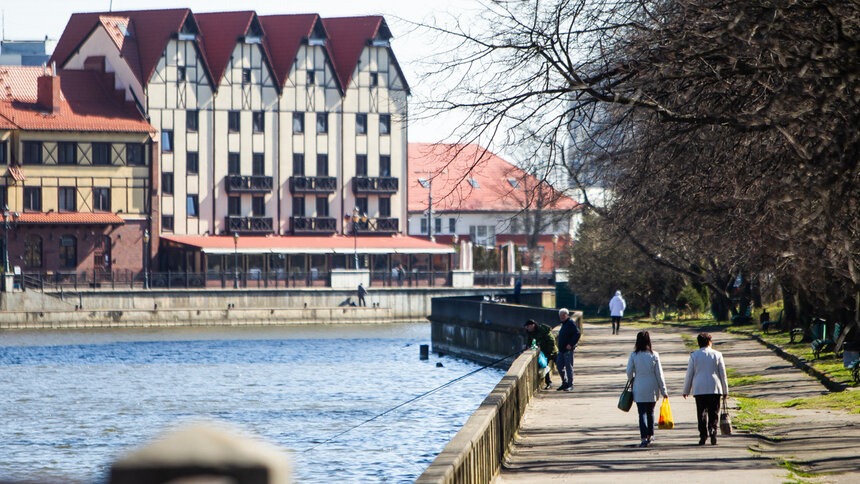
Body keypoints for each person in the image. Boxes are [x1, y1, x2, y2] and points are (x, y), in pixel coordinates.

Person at [683, 332, 729, 445]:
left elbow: (689, 374)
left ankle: (703, 435)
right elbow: (723, 374)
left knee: (701, 413)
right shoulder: (717, 355)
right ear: (709, 342)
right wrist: (725, 390)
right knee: (714, 412)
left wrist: (686, 390)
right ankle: (713, 430)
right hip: (714, 388)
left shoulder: (694, 356)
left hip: (699, 389)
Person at [626, 331, 668, 447]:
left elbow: (629, 371)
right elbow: (659, 374)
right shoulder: (654, 355)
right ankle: (650, 434)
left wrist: (632, 379)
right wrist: (664, 390)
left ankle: (643, 437)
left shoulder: (634, 355)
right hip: (652, 387)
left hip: (639, 386)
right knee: (651, 412)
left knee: (642, 413)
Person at [524, 319, 558, 389]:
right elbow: (530, 342)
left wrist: (549, 352)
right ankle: (548, 383)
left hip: (552, 351)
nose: (527, 328)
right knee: (544, 366)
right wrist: (527, 346)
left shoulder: (543, 330)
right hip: (543, 353)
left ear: (533, 325)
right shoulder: (530, 333)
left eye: (528, 326)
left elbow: (551, 341)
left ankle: (566, 382)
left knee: (560, 366)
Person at [555, 308, 581, 391]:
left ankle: (570, 384)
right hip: (561, 350)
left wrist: (571, 344)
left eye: (564, 315)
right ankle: (564, 382)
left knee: (569, 367)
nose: (562, 316)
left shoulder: (570, 323)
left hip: (568, 350)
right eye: (560, 315)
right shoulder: (564, 323)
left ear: (567, 315)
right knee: (559, 366)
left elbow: (577, 333)